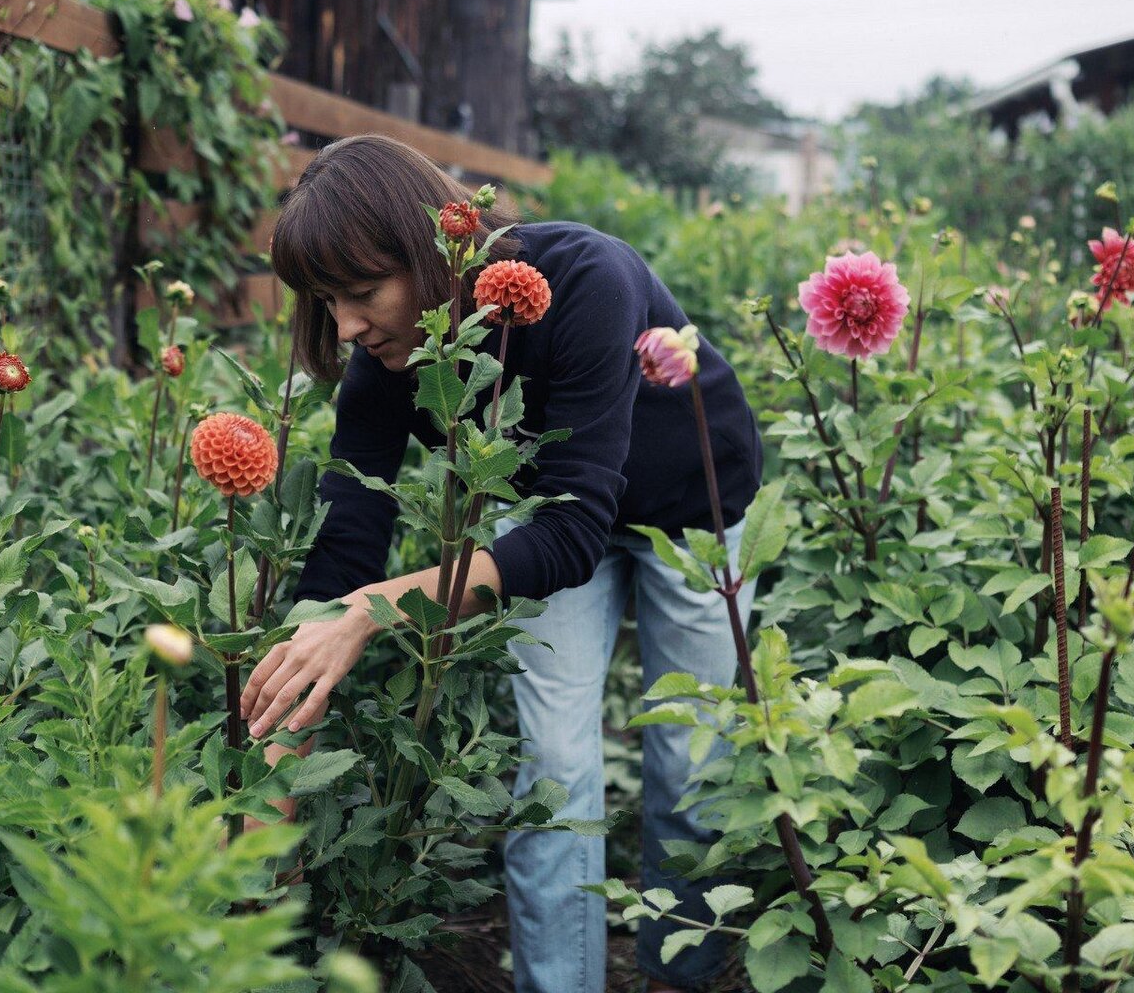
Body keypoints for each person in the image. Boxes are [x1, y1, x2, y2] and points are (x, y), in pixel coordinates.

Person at [239, 135, 763, 993]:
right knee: (554, 765)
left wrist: (377, 610)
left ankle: (684, 970)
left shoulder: (590, 278)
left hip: (689, 507)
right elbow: (346, 547)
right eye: (328, 301)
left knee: (690, 753)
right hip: (554, 514)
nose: (346, 326)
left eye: (364, 293)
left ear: (429, 253)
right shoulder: (385, 360)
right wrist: (282, 738)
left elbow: (572, 533)